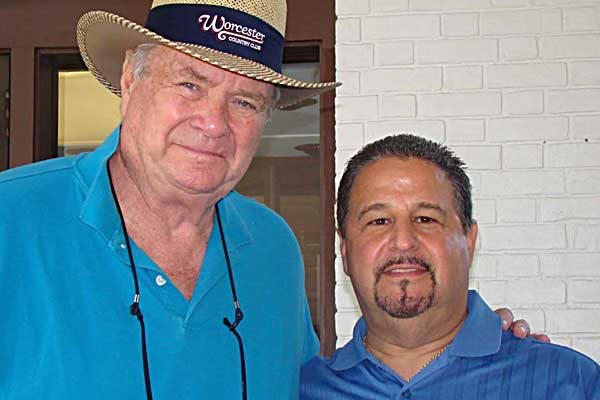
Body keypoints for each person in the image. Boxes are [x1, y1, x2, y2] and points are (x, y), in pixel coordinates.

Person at [0, 1, 538, 399]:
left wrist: (473, 347)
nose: (213, 122)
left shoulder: (272, 249)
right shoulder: (12, 222)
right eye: (190, 84)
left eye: (245, 101)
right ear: (130, 80)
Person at [300, 134, 600, 399]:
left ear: (469, 242)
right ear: (344, 250)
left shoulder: (570, 383)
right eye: (378, 221)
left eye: (426, 219)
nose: (403, 241)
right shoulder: (301, 389)